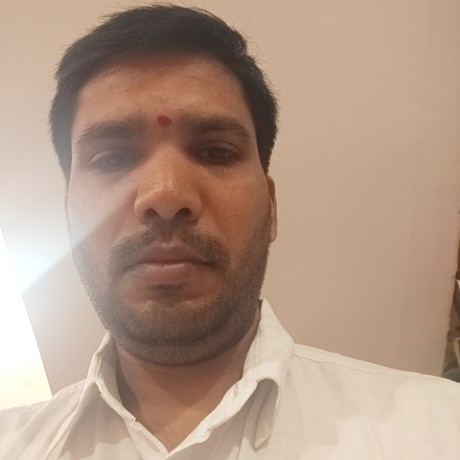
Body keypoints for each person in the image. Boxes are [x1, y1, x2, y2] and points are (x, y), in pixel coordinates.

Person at [1, 5, 459, 459]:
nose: (166, 194)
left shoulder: (441, 428)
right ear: (68, 214)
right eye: (113, 158)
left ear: (271, 207)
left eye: (215, 152)